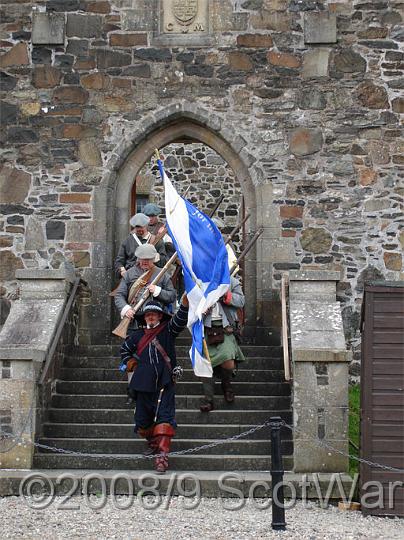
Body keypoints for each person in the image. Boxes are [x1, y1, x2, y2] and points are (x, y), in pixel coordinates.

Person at [120, 296, 189, 474]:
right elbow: (124, 350)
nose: (151, 317)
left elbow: (180, 320)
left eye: (154, 314)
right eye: (148, 314)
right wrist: (130, 363)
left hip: (164, 381)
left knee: (164, 418)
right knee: (142, 421)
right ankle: (152, 443)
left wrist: (185, 304)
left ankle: (161, 458)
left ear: (160, 317)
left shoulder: (168, 331)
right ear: (144, 318)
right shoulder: (135, 336)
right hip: (142, 382)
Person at [115, 243, 176, 404]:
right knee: (132, 359)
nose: (144, 263)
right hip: (135, 322)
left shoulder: (162, 274)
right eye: (142, 259)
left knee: (154, 359)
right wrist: (126, 309)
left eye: (147, 260)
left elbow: (171, 296)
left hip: (155, 324)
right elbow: (119, 295)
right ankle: (131, 391)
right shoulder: (129, 275)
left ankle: (155, 388)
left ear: (153, 259)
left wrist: (157, 291)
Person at [199, 276, 245, 412]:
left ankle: (226, 384)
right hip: (205, 330)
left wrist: (226, 294)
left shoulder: (232, 282)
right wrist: (201, 308)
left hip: (226, 329)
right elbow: (191, 302)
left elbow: (241, 301)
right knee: (204, 366)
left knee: (228, 362)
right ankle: (209, 400)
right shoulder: (200, 282)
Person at [114, 213, 167, 277]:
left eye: (141, 226)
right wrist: (122, 271)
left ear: (146, 225)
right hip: (131, 277)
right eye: (137, 227)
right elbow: (119, 261)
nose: (139, 229)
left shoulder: (157, 241)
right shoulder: (127, 241)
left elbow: (164, 262)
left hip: (151, 277)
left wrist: (156, 257)